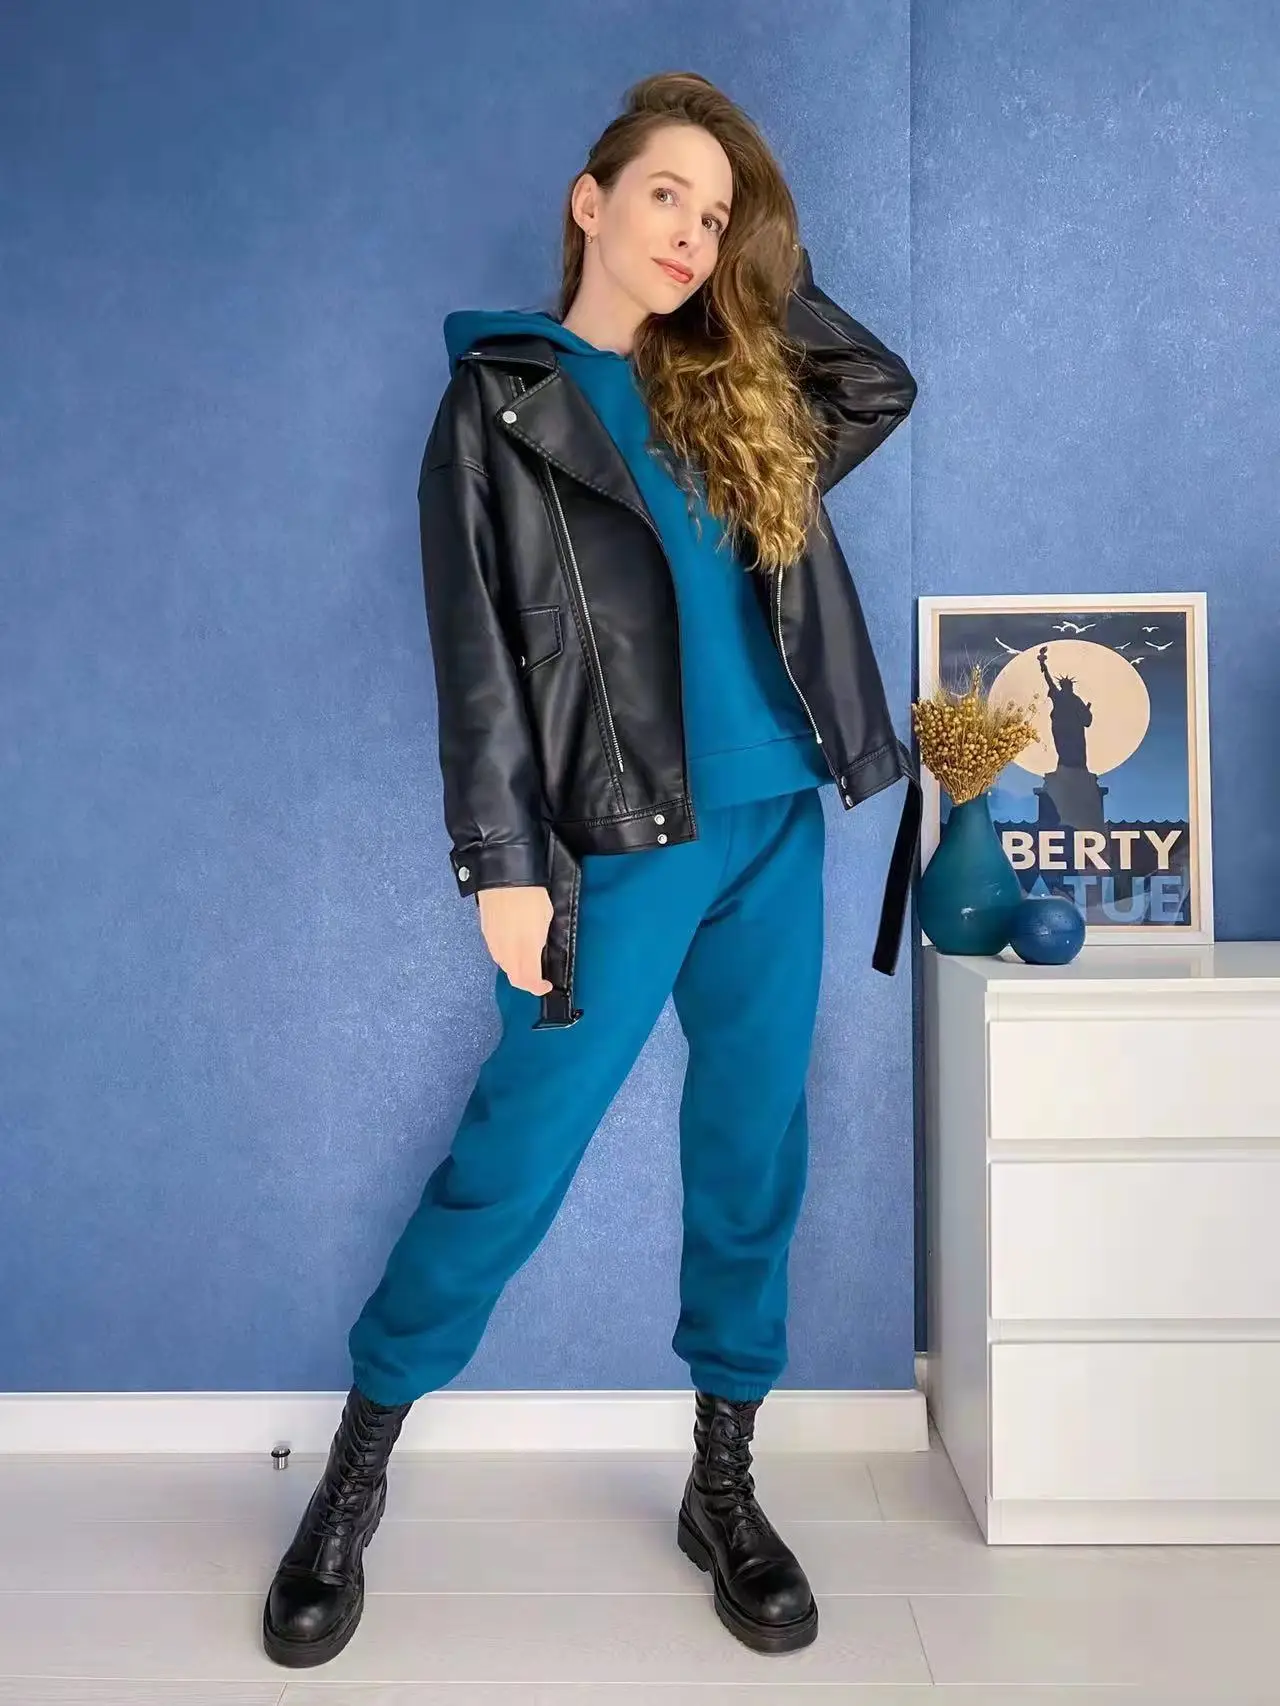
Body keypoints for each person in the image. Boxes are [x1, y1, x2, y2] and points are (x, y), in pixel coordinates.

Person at [263, 68, 919, 1670]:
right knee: (513, 1157)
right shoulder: (501, 400)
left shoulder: (738, 389)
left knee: (752, 1151)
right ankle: (353, 1477)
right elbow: (478, 654)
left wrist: (759, 268)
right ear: (590, 200)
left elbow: (877, 382)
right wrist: (501, 861)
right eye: (665, 196)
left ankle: (722, 1483)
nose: (689, 232)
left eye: (716, 213)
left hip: (776, 822)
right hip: (618, 850)